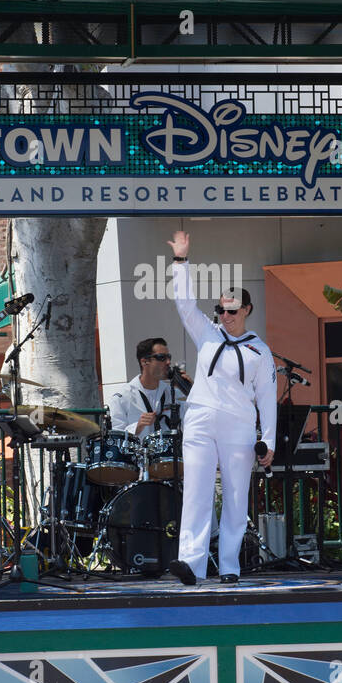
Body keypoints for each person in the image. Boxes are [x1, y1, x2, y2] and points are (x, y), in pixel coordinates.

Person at [165, 231, 276, 585]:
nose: (225, 316)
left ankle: (229, 565)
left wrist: (269, 440)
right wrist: (181, 262)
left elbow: (268, 397)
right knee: (196, 493)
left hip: (239, 426)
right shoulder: (208, 333)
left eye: (231, 310)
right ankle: (191, 565)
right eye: (220, 310)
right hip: (200, 419)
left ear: (246, 310)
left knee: (235, 496)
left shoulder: (260, 350)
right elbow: (184, 304)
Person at [106, 337, 174, 437]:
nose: (168, 362)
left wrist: (189, 388)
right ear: (144, 362)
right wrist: (137, 427)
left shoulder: (171, 392)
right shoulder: (122, 398)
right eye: (161, 357)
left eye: (169, 357)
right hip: (138, 452)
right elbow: (114, 436)